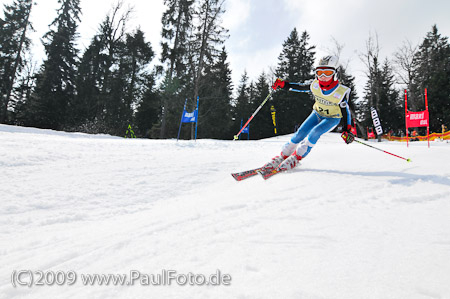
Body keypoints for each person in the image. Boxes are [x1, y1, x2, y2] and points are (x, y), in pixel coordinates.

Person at [262, 55, 354, 173]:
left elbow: (346, 111)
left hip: (332, 118)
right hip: (316, 114)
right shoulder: (315, 85)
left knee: (314, 133)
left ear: (335, 73)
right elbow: (300, 87)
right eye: (320, 72)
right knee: (300, 133)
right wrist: (285, 85)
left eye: (327, 73)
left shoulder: (341, 92)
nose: (323, 76)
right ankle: (283, 156)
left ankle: (296, 157)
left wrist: (347, 129)